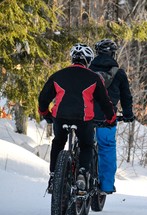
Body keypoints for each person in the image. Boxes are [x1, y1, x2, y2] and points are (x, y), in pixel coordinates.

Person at [38, 43, 116, 194]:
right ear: (88, 60)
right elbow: (105, 103)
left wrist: (45, 112)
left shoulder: (58, 75)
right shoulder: (94, 78)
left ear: (72, 58)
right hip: (83, 119)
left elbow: (43, 98)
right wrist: (111, 119)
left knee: (58, 142)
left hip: (60, 117)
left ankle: (54, 176)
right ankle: (81, 173)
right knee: (86, 144)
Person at [89, 39, 135, 195]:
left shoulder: (87, 71)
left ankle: (79, 174)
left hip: (86, 116)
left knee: (84, 145)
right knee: (107, 147)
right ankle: (107, 186)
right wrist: (128, 115)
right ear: (113, 53)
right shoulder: (119, 73)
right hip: (106, 117)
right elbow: (126, 97)